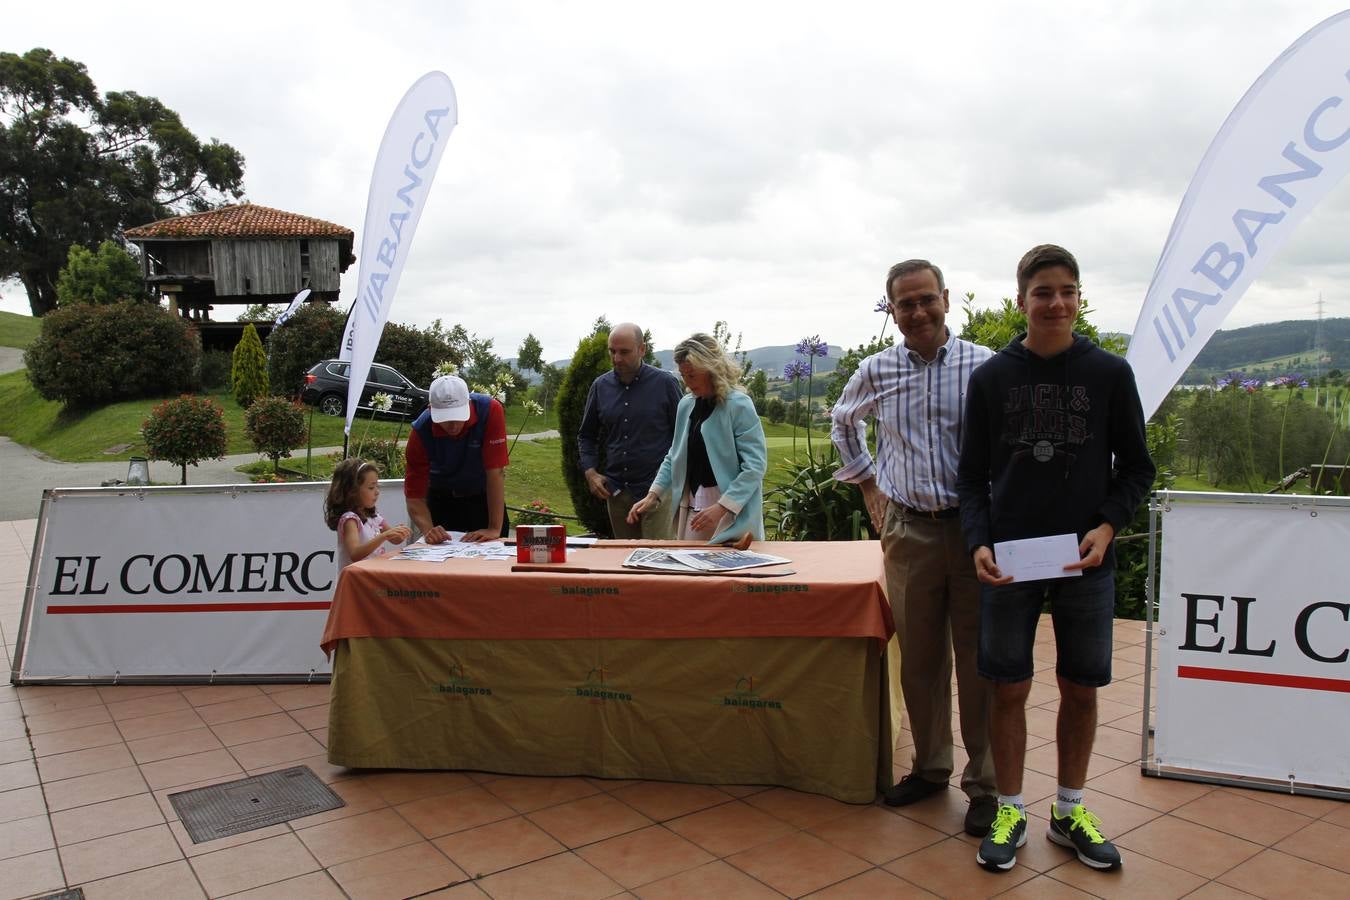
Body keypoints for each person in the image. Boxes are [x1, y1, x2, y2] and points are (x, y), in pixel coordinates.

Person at [956, 244, 1155, 873]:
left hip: (1084, 560)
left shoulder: (1109, 374)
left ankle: (1069, 810)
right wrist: (979, 542)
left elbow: (1137, 470)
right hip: (1011, 561)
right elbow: (970, 479)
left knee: (1082, 685)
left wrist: (1107, 526)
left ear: (1079, 298)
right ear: (1022, 301)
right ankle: (1011, 808)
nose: (1057, 303)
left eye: (1067, 291)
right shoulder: (990, 379)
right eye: (1043, 292)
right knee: (1007, 686)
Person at [830, 259, 998, 837]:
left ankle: (985, 785)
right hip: (909, 531)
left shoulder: (985, 366)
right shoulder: (876, 371)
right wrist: (869, 482)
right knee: (922, 660)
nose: (918, 312)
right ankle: (930, 769)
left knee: (980, 661)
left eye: (927, 299)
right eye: (906, 304)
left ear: (946, 299)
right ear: (892, 311)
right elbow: (841, 421)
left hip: (976, 531)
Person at [627, 333, 766, 543]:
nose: (687, 383)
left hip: (733, 515)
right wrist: (653, 495)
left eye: (692, 375)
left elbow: (755, 467)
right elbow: (674, 455)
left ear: (711, 369)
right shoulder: (686, 405)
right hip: (692, 511)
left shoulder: (739, 405)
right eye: (683, 375)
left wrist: (722, 507)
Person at [578, 323, 684, 538]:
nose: (617, 358)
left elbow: (683, 436)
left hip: (658, 489)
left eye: (624, 352)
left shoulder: (665, 384)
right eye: (612, 351)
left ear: (642, 349)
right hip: (617, 492)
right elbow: (586, 435)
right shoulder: (600, 386)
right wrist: (590, 472)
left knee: (657, 560)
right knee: (625, 559)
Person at [404, 374, 510, 543]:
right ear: (431, 410)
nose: (453, 426)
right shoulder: (420, 432)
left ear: (468, 404)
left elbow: (495, 472)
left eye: (458, 416)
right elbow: (414, 496)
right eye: (445, 419)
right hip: (442, 500)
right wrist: (429, 531)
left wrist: (494, 528)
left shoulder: (490, 410)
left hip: (483, 499)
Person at [325, 458, 411, 574]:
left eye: (377, 486)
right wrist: (384, 536)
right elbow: (355, 554)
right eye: (371, 487)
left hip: (370, 578)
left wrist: (399, 533)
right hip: (355, 582)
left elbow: (395, 540)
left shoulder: (374, 517)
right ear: (352, 491)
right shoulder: (350, 520)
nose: (377, 492)